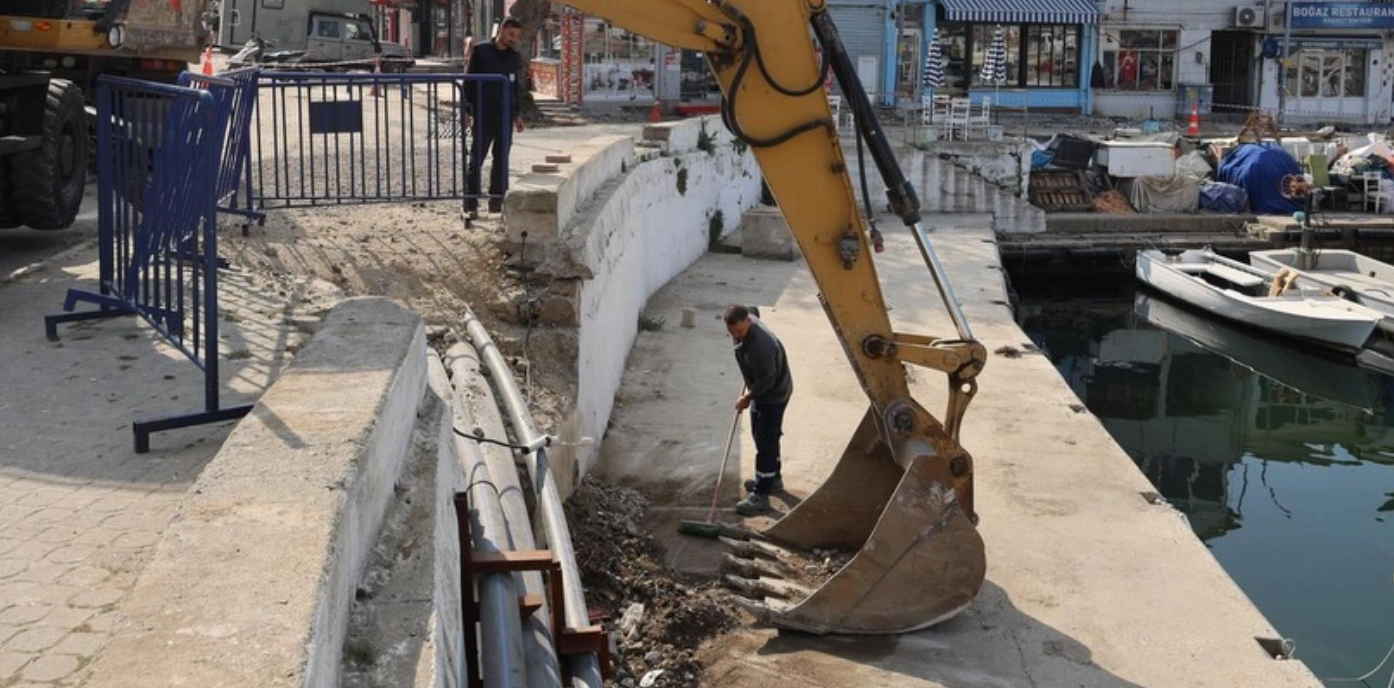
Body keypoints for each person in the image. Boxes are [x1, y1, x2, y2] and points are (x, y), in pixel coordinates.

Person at [724, 305, 793, 516]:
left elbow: (767, 380)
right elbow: (753, 307)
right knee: (766, 437)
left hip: (772, 394)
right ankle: (772, 479)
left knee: (765, 440)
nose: (736, 336)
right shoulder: (749, 317)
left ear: (748, 322)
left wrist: (747, 397)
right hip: (767, 388)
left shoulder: (759, 349)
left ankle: (761, 494)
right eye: (732, 332)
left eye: (740, 332)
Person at [463, 17, 526, 219]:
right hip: (483, 113)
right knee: (476, 160)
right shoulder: (481, 52)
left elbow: (514, 87)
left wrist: (517, 115)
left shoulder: (513, 57)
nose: (513, 39)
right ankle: (470, 204)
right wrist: (465, 110)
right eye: (511, 34)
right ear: (502, 30)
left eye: (516, 36)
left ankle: (496, 202)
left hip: (505, 115)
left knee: (501, 161)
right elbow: (469, 83)